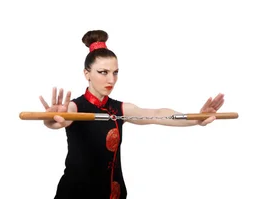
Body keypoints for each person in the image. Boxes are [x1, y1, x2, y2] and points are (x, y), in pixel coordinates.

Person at [38, 30, 226, 199]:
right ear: (87, 73)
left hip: (113, 193)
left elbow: (157, 114)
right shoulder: (74, 108)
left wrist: (197, 119)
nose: (111, 80)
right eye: (103, 72)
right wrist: (51, 119)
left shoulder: (119, 109)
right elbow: (57, 123)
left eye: (115, 72)